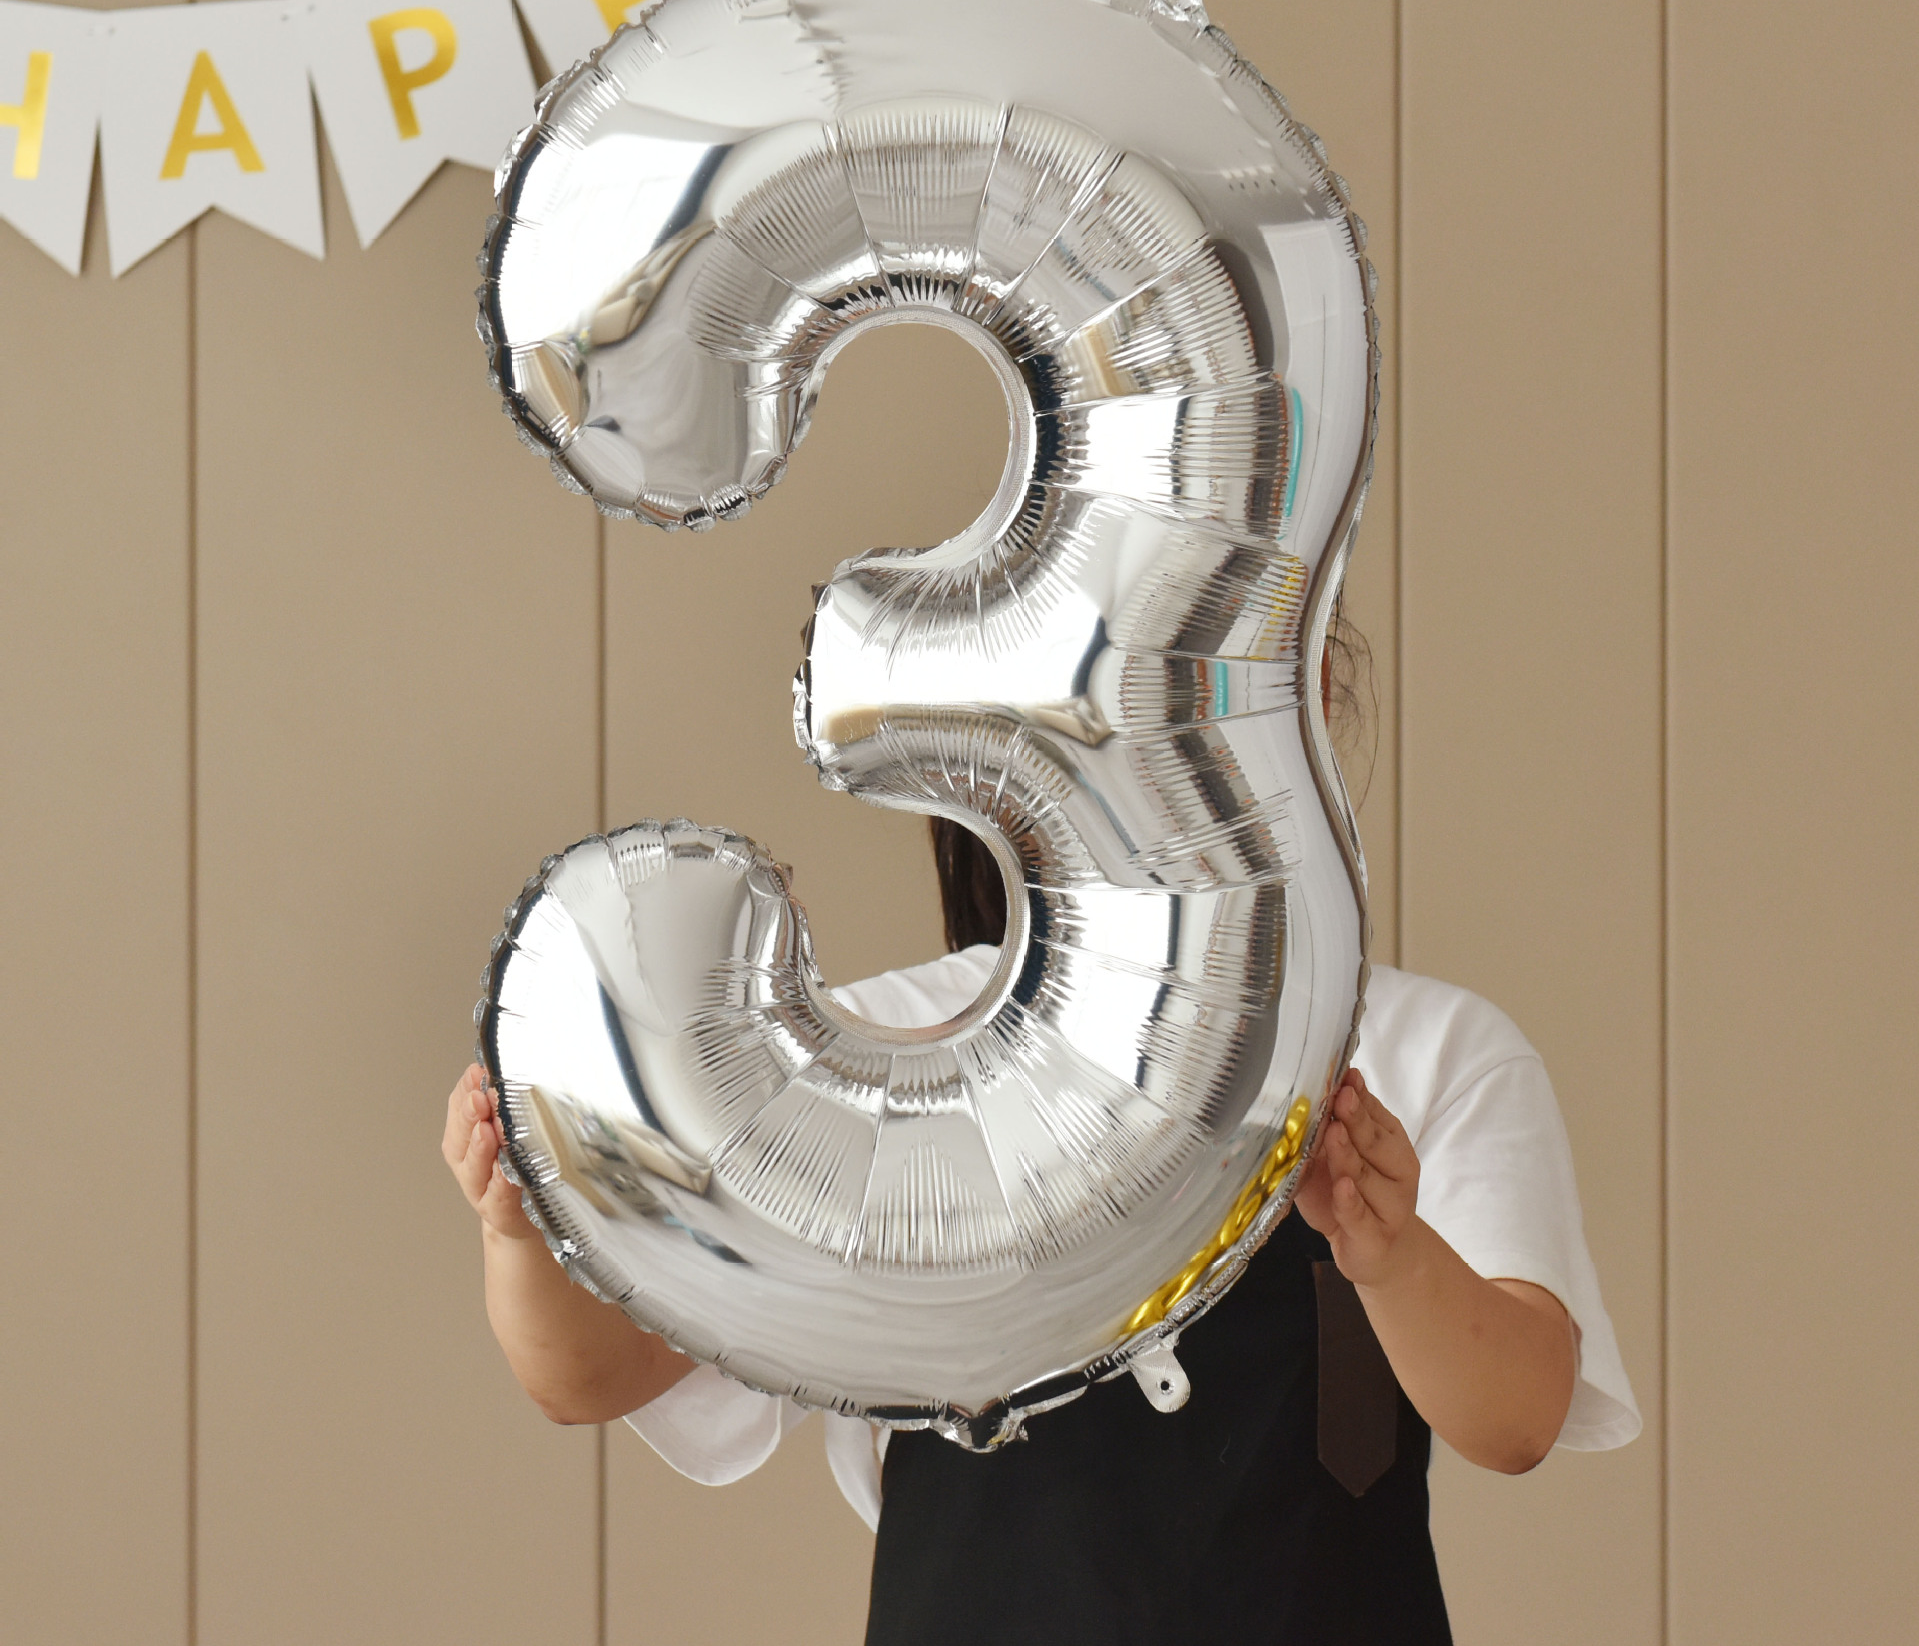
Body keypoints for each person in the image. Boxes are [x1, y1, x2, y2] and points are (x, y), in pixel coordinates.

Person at [442, 642, 1638, 1643]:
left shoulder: (1432, 1050)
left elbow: (1516, 1414)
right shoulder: (876, 1050)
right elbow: (592, 1371)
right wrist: (520, 1229)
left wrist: (1391, 1254)